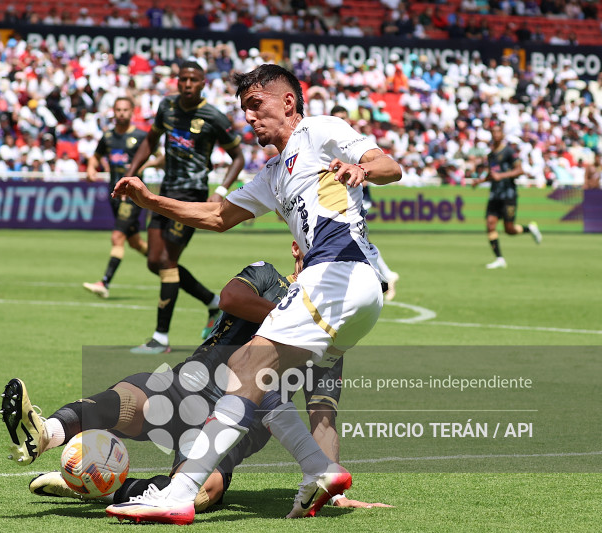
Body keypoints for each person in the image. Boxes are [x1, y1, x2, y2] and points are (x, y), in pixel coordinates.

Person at [107, 64, 402, 525]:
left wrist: (361, 168)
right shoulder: (273, 172)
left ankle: (179, 493)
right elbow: (217, 216)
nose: (249, 117)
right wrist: (152, 202)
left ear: (288, 102)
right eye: (244, 109)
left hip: (337, 273)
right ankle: (320, 471)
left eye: (256, 105)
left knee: (243, 365)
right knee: (266, 385)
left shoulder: (320, 130)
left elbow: (390, 166)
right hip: (355, 294)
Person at [3, 244, 391, 513]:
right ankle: (46, 432)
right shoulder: (266, 275)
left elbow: (323, 418)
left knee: (204, 493)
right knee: (127, 400)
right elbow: (230, 298)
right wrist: (292, 319)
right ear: (297, 249)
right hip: (190, 383)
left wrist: (335, 494)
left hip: (242, 422)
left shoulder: (331, 341)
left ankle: (96, 485)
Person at [124, 61, 245, 354]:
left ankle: (160, 338)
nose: (188, 84)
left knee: (167, 260)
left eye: (193, 79)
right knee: (154, 261)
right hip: (164, 193)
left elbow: (238, 157)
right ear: (177, 82)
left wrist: (220, 191)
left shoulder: (213, 116)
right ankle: (212, 302)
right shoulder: (166, 107)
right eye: (183, 79)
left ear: (203, 83)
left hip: (192, 196)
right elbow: (150, 140)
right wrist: (131, 171)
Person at [330, 105, 400, 301]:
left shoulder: (356, 142)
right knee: (357, 239)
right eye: (336, 118)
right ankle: (385, 276)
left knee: (354, 238)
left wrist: (359, 172)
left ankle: (382, 278)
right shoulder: (330, 142)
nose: (341, 121)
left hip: (356, 198)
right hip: (339, 200)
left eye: (343, 117)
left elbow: (372, 171)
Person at [82, 97, 150, 299]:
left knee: (117, 237)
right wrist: (91, 168)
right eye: (118, 109)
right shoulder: (108, 137)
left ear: (132, 112)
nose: (121, 113)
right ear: (113, 111)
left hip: (132, 197)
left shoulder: (141, 136)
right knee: (135, 242)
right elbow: (96, 156)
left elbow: (161, 157)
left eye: (125, 110)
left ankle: (104, 282)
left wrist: (147, 165)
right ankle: (163, 263)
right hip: (114, 195)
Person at [471, 123, 542, 269]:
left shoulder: (509, 151)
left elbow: (520, 170)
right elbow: (492, 175)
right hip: (495, 194)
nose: (495, 134)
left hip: (508, 194)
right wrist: (480, 181)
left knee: (509, 229)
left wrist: (501, 176)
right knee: (490, 224)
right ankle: (499, 259)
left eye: (498, 132)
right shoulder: (491, 155)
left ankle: (530, 228)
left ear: (502, 134)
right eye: (493, 132)